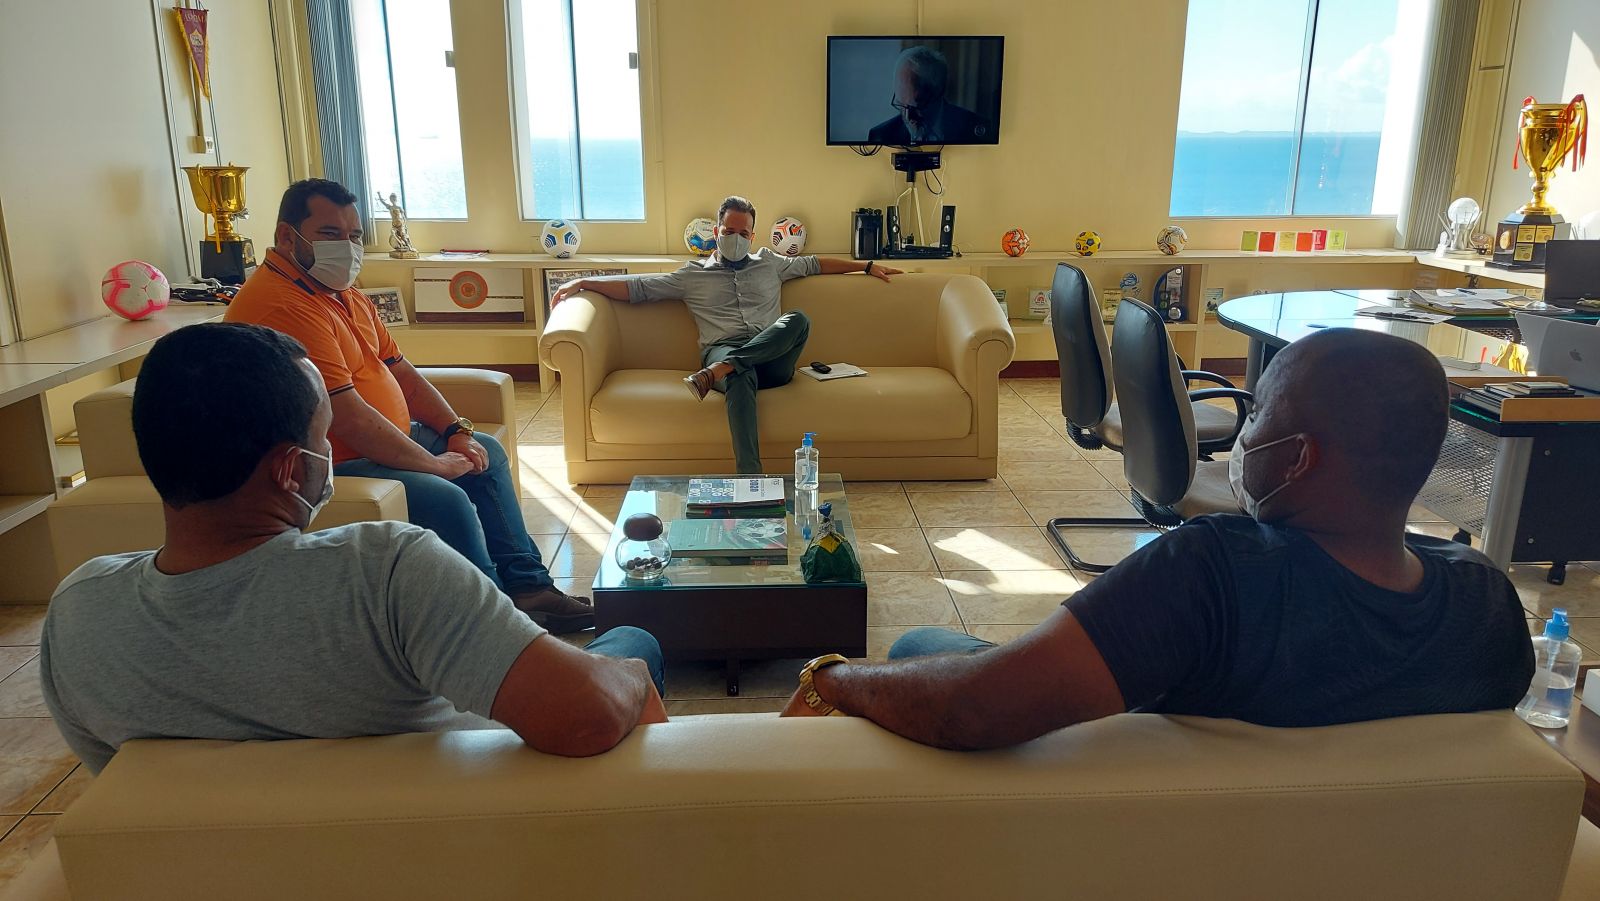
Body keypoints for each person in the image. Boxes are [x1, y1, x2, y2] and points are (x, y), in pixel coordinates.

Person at [778, 328, 1534, 748]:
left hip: (1132, 820)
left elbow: (974, 709)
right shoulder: (1489, 606)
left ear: (1299, 457)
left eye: (1258, 413)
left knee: (917, 646)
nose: (1244, 434)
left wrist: (832, 677)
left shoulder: (1212, 573)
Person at [39, 323, 667, 774]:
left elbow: (115, 778)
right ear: (292, 469)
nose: (332, 456)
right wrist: (628, 678)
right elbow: (586, 717)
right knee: (632, 647)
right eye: (326, 439)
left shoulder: (77, 611)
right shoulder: (384, 571)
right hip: (451, 837)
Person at [227, 179, 593, 633]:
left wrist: (456, 431)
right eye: (330, 234)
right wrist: (433, 465)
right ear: (287, 237)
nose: (347, 247)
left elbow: (402, 372)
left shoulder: (342, 293)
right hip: (332, 459)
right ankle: (497, 623)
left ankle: (529, 587)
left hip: (387, 440)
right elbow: (349, 419)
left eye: (354, 236)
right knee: (445, 496)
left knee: (486, 453)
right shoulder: (283, 305)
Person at [551, 195, 903, 475]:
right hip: (720, 353)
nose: (736, 238)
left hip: (773, 360)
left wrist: (867, 266)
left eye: (743, 233)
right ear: (717, 231)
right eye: (729, 230)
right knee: (738, 373)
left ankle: (725, 367)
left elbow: (816, 264)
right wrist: (583, 282)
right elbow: (639, 287)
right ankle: (750, 478)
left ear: (753, 235)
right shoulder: (691, 275)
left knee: (798, 319)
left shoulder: (771, 263)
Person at [866, 46, 990, 146]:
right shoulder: (880, 136)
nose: (908, 117)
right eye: (900, 104)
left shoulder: (974, 129)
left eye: (916, 107)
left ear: (939, 91)